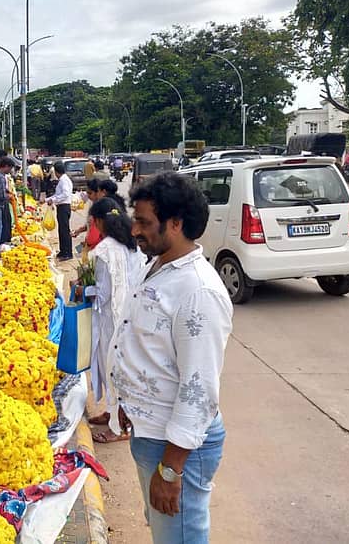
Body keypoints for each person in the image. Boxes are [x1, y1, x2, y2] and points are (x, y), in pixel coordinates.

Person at [106, 172, 233, 544]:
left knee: (179, 538)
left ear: (175, 224)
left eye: (144, 222)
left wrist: (171, 470)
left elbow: (199, 390)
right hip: (153, 433)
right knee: (165, 532)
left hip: (176, 449)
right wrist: (131, 402)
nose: (134, 230)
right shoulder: (160, 266)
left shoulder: (198, 291)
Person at [85, 198, 146, 443]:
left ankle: (118, 426)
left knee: (111, 367)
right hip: (130, 314)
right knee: (122, 368)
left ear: (99, 221)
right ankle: (113, 413)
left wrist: (81, 290)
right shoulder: (132, 245)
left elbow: (102, 293)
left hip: (111, 317)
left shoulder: (104, 251)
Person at [46, 161, 74, 262]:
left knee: (65, 230)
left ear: (57, 172)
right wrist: (48, 199)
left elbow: (65, 195)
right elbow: (58, 194)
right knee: (61, 230)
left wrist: (53, 200)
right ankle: (63, 251)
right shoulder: (62, 180)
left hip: (64, 206)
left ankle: (67, 253)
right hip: (61, 206)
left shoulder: (64, 180)